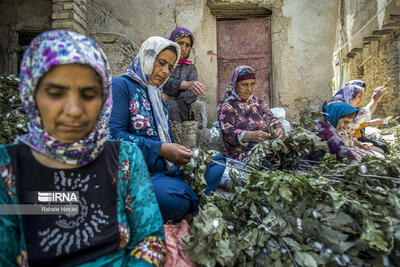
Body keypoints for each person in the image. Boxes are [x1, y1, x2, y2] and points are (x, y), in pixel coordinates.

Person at [0, 30, 165, 266]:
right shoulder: (8, 167)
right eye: (56, 93)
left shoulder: (124, 159)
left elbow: (150, 241)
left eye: (89, 94)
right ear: (31, 95)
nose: (74, 110)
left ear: (105, 100)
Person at [109, 36, 224, 223]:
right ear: (147, 57)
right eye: (161, 63)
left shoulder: (157, 97)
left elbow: (168, 142)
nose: (165, 72)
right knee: (172, 199)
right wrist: (161, 149)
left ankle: (187, 201)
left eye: (170, 67)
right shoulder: (120, 86)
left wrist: (188, 156)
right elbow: (113, 138)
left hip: (165, 170)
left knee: (217, 163)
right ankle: (189, 203)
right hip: (139, 173)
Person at [218, 65, 285, 161]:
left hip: (266, 151)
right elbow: (228, 133)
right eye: (244, 85)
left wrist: (278, 129)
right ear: (235, 84)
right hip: (243, 156)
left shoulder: (258, 102)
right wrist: (251, 135)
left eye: (252, 84)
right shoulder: (227, 106)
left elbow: (271, 119)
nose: (249, 89)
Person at [327, 80, 388, 152]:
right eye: (359, 96)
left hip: (353, 141)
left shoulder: (350, 109)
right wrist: (374, 101)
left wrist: (360, 144)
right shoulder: (339, 109)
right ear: (350, 94)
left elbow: (350, 136)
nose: (361, 99)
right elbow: (363, 115)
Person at [161, 27, 205, 124]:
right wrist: (182, 84)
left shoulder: (190, 68)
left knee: (172, 104)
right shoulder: (162, 62)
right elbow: (161, 81)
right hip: (159, 101)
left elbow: (191, 94)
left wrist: (172, 97)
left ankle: (175, 136)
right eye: (180, 43)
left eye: (188, 45)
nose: (183, 48)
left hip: (181, 109)